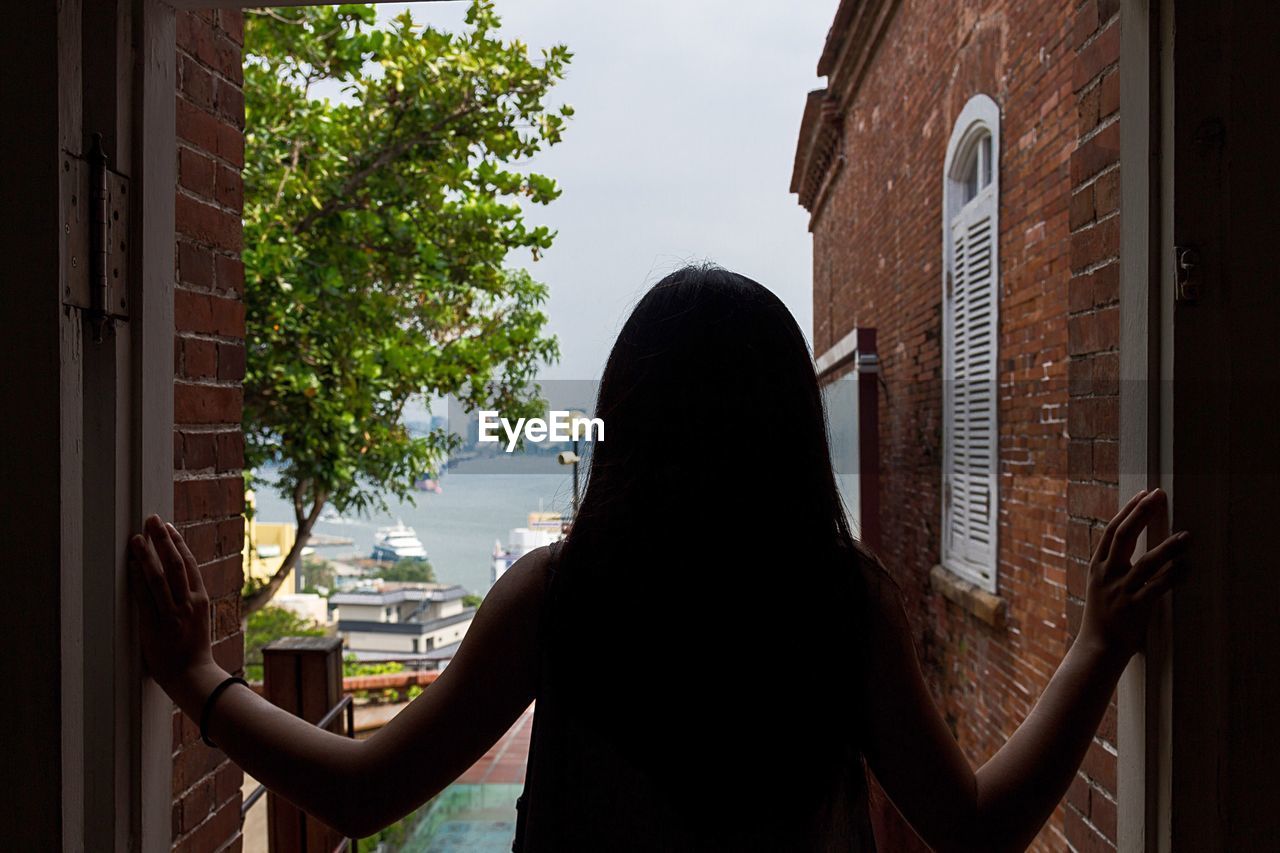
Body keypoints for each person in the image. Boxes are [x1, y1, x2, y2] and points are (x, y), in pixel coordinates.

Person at [130, 266, 1190, 851]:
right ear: (785, 429)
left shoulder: (561, 596)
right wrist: (1096, 644)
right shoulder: (837, 603)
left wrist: (196, 678)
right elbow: (973, 828)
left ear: (625, 423)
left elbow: (365, 790)